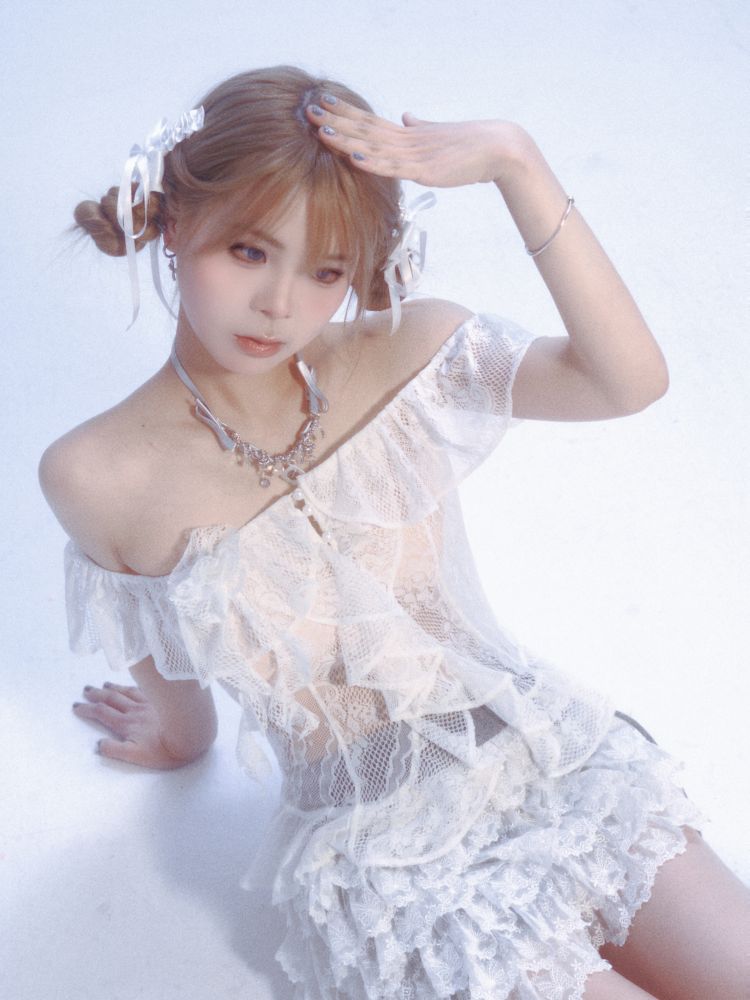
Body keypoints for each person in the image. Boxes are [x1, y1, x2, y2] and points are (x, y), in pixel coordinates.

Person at [39, 66, 750, 1000]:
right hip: (393, 869)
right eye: (249, 251)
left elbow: (627, 383)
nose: (281, 303)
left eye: (325, 270)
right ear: (174, 223)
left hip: (555, 762)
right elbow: (172, 668)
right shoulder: (97, 473)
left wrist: (516, 163)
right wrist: (176, 741)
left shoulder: (409, 353)